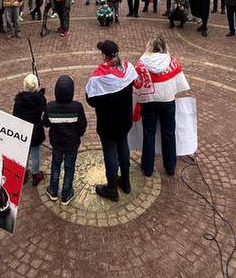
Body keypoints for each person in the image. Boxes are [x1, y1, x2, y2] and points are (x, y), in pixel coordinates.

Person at [85, 40, 137, 202]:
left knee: (110, 152)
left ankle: (112, 188)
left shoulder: (99, 76)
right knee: (123, 146)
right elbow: (134, 83)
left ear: (104, 56)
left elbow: (91, 100)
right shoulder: (128, 68)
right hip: (125, 120)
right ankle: (126, 183)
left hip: (108, 124)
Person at [133, 35, 190, 176]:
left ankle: (147, 168)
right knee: (169, 133)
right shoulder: (171, 61)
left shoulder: (142, 62)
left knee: (149, 133)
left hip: (149, 101)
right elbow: (179, 83)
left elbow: (136, 83)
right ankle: (170, 166)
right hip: (167, 101)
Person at [43, 74, 87, 205]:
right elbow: (82, 124)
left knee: (55, 164)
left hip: (57, 143)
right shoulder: (77, 107)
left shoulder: (50, 107)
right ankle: (66, 194)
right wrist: (78, 135)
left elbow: (45, 123)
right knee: (69, 167)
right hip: (72, 144)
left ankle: (53, 190)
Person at [12, 74, 46, 186]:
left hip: (23, 130)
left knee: (23, 154)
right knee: (35, 154)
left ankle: (24, 173)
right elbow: (43, 109)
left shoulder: (18, 102)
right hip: (36, 131)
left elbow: (15, 116)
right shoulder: (41, 100)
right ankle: (35, 175)